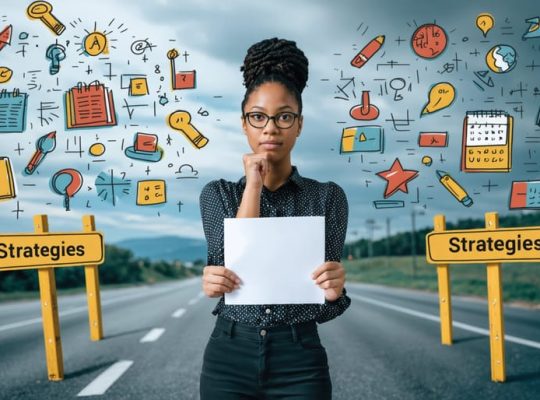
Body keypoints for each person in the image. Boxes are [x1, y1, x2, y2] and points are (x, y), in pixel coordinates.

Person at [199, 37, 351, 400]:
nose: (270, 128)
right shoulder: (219, 194)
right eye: (258, 117)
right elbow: (227, 267)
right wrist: (253, 182)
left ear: (298, 125)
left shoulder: (327, 196)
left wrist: (333, 293)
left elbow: (326, 306)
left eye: (284, 116)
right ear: (244, 124)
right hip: (229, 352)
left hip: (299, 355)